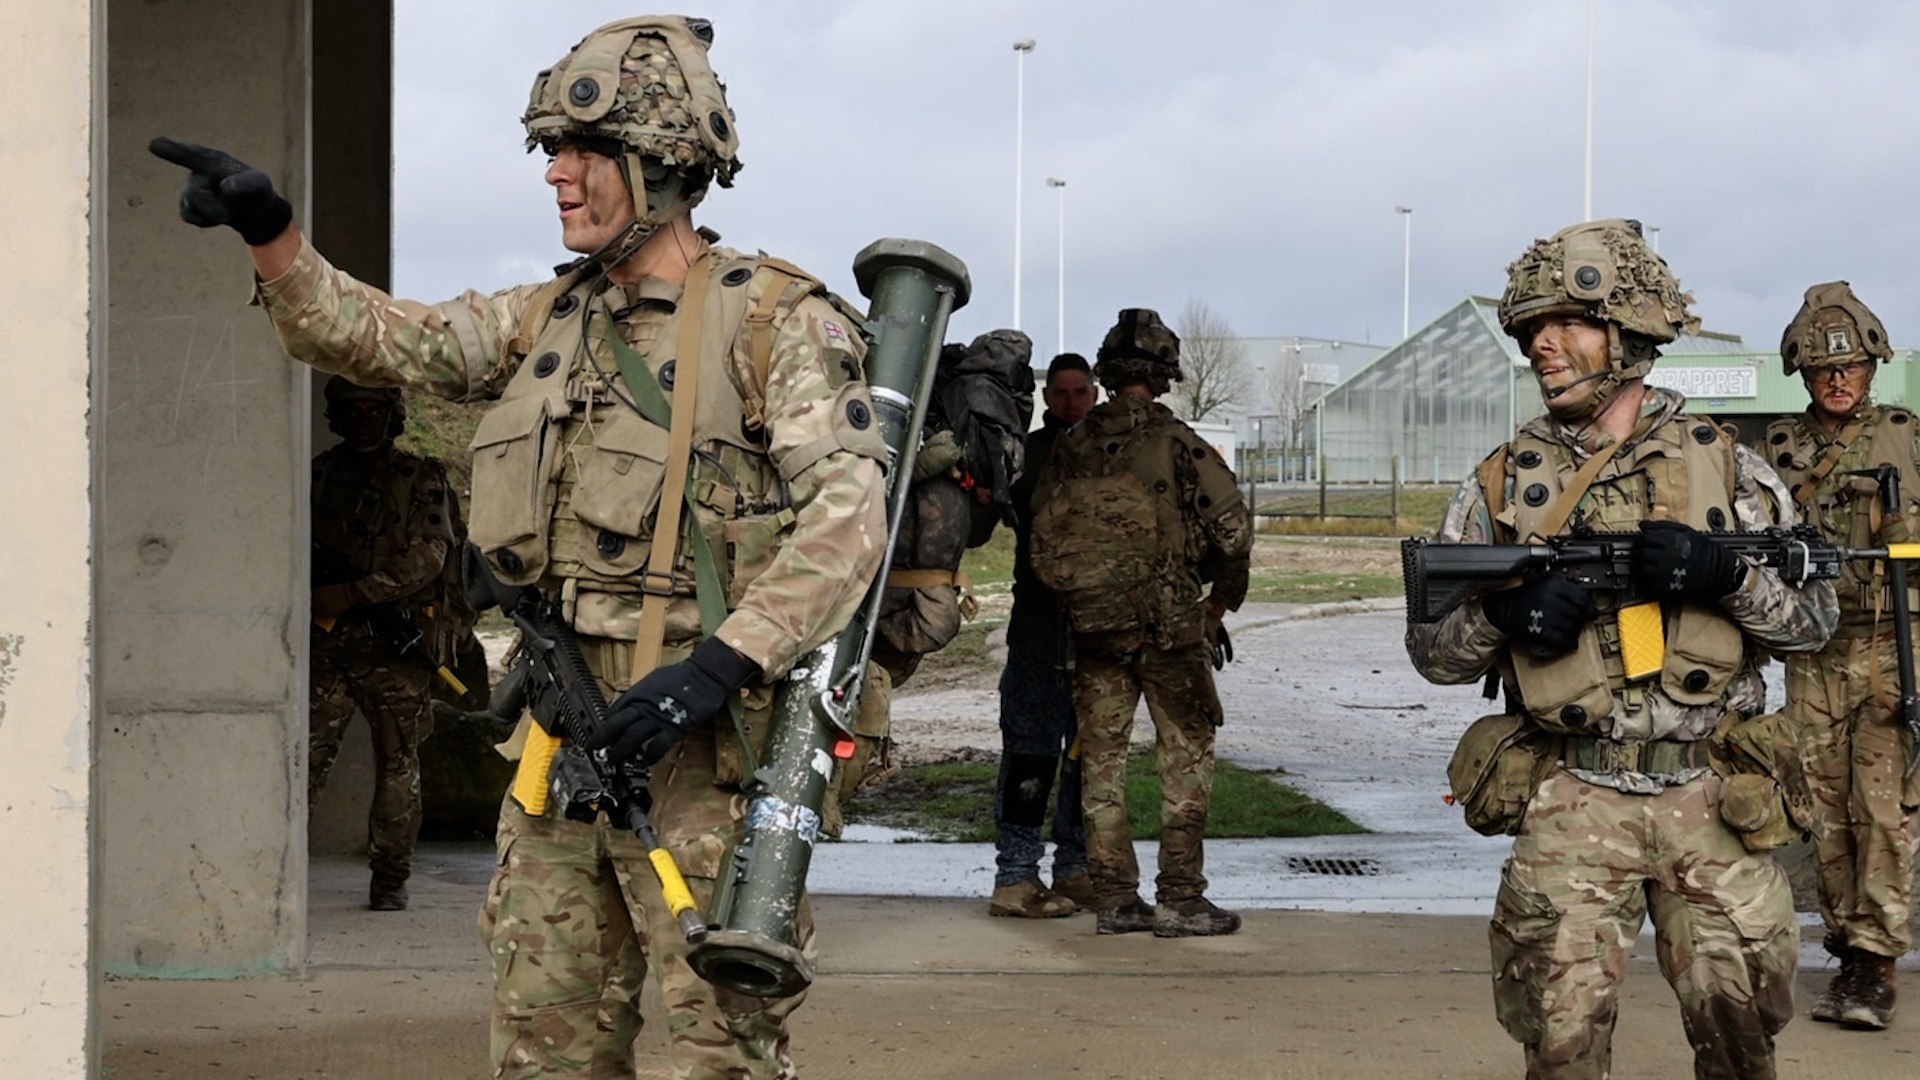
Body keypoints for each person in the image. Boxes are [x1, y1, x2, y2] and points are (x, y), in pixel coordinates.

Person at [153, 15, 888, 1079]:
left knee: (720, 1055)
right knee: (544, 1048)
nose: (557, 173)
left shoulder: (775, 322)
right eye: (552, 150)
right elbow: (381, 338)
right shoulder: (549, 319)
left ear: (662, 163)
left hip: (702, 758)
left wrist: (722, 666)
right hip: (563, 746)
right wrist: (272, 235)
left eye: (584, 151)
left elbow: (848, 520)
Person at [1406, 219, 1838, 1080]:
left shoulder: (1730, 470)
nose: (1543, 344)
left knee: (1741, 1042)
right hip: (1573, 799)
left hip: (1713, 799)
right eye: (1533, 328)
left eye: (1568, 322)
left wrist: (1725, 577)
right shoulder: (1503, 480)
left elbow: (1814, 625)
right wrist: (1506, 617)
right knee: (1559, 1046)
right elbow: (1433, 654)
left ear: (1629, 334)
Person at [1030, 309, 1252, 938]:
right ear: (1162, 375)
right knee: (1184, 757)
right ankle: (1180, 897)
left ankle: (1115, 899)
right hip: (1170, 628)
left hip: (1095, 628)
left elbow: (1042, 537)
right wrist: (1218, 602)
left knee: (1101, 765)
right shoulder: (1178, 442)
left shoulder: (1071, 446)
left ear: (1106, 373)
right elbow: (1233, 532)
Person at [1765, 281, 1919, 1030]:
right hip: (1814, 652)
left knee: (1883, 809)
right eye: (1824, 368)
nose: (1838, 379)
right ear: (1803, 372)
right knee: (1821, 811)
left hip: (1894, 646)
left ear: (1872, 367)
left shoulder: (1906, 438)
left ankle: (1876, 961)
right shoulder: (1777, 451)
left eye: (1851, 366)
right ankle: (1847, 943)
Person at [309, 376, 454, 911]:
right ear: (337, 416)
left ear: (392, 416)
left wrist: (351, 594)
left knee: (398, 764)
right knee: (301, 760)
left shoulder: (419, 477)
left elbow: (429, 557)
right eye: (354, 410)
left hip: (394, 644)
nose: (364, 419)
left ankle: (390, 876)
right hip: (327, 645)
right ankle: (276, 869)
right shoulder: (319, 474)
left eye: (375, 409)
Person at [989, 352, 1096, 918]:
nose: (1071, 403)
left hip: (1096, 625)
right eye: (1061, 392)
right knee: (1031, 746)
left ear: (1095, 394)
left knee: (1089, 748)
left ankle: (1075, 868)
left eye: (1081, 392)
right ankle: (1016, 875)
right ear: (1046, 396)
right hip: (1038, 620)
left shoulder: (1110, 452)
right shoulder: (1027, 454)